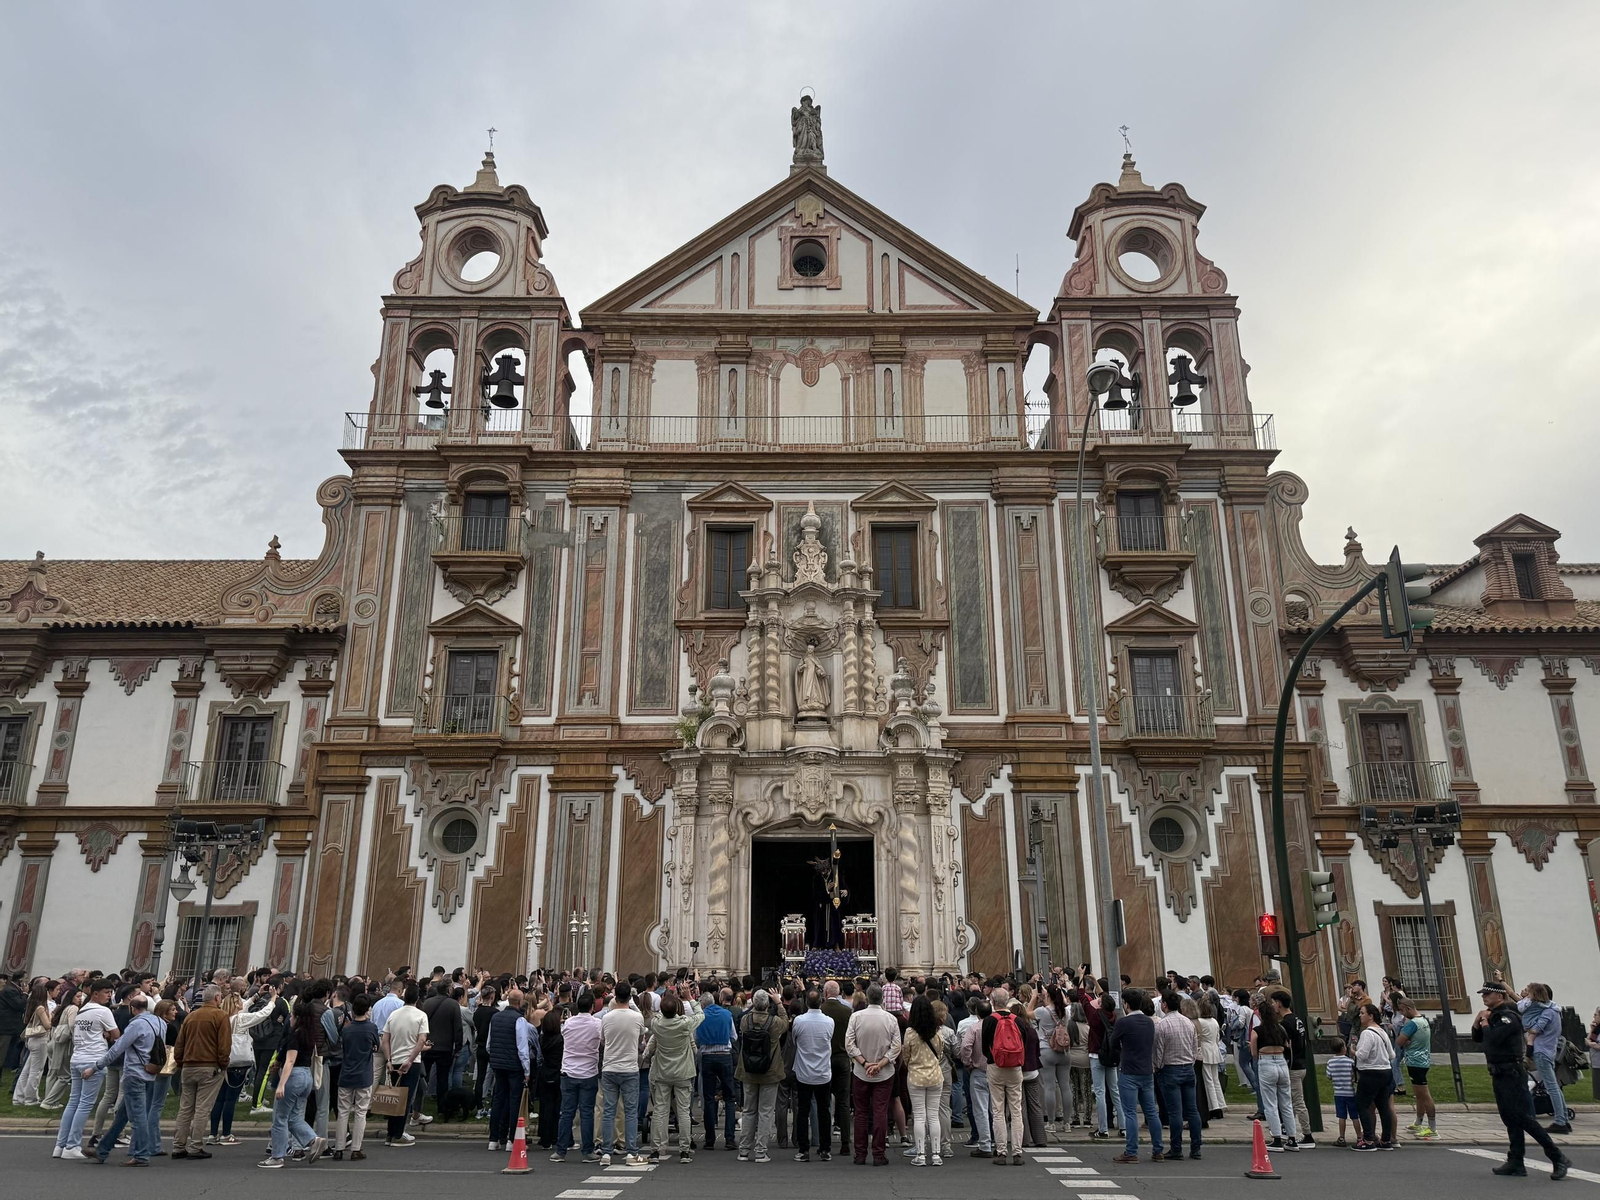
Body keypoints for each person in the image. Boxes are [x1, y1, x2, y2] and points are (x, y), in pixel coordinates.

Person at [1475, 981, 1570, 1178]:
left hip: (1512, 1073)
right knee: (1509, 1118)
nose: (1484, 997)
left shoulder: (1509, 1017)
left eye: (1487, 994)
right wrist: (1478, 1021)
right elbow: (1478, 1038)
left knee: (1524, 1118)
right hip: (1499, 1072)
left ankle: (1557, 1156)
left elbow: (1493, 1039)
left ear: (1500, 996)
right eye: (1483, 994)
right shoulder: (1494, 1016)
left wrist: (1484, 1023)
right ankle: (1516, 1161)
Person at [86, 990, 164, 1165]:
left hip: (134, 1073)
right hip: (150, 1072)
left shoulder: (136, 1025)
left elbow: (117, 1048)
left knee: (137, 1118)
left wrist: (95, 1067)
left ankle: (142, 1154)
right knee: (122, 1116)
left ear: (132, 1008)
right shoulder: (160, 1022)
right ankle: (102, 1150)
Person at [260, 999, 327, 1168]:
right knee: (295, 1117)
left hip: (293, 1076)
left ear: (297, 1017)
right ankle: (313, 1139)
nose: (290, 1018)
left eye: (292, 1016)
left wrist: (281, 1084)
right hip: (306, 1076)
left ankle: (277, 1156)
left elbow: (290, 1061)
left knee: (280, 1118)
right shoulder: (309, 1035)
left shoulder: (294, 1035)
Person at [171, 982, 231, 1159]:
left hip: (188, 1066)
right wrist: (223, 1065)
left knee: (186, 1108)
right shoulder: (220, 1016)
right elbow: (224, 1045)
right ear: (217, 998)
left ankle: (178, 1145)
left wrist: (180, 1061)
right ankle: (195, 1145)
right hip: (209, 1066)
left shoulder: (191, 1016)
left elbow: (180, 1043)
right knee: (202, 1108)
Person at [845, 982, 902, 1165]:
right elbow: (896, 1047)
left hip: (861, 1071)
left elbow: (849, 1044)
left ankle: (860, 1154)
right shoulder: (891, 1019)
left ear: (867, 997)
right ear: (882, 998)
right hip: (883, 1072)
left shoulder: (856, 1017)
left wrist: (864, 1062)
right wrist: (880, 1064)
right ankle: (878, 1154)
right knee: (880, 1112)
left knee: (861, 1113)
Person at [645, 987, 702, 1163]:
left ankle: (656, 1149)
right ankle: (685, 1150)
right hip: (683, 1072)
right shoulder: (684, 1024)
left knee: (660, 1111)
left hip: (662, 1071)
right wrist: (690, 998)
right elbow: (700, 1015)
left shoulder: (657, 1024)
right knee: (684, 1111)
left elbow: (657, 1018)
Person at [209, 990, 273, 1145]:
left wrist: (255, 997)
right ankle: (226, 1134)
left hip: (223, 1061)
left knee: (219, 1098)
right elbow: (261, 1015)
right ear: (237, 1004)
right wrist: (273, 1000)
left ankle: (213, 1134)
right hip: (238, 1062)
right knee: (231, 1099)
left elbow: (244, 1007)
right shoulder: (241, 1019)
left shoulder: (223, 1018)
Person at [1108, 988, 1161, 1164]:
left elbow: (1113, 1042)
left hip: (1129, 1070)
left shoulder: (1124, 1023)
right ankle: (1158, 1149)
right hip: (1146, 1070)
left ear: (1126, 1004)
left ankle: (1131, 1151)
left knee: (1130, 1112)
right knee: (1151, 1112)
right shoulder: (1149, 1022)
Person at [734, 988, 788, 1163]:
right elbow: (786, 1022)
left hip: (748, 1070)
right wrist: (778, 1002)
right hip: (770, 1071)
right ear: (768, 1005)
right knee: (765, 1112)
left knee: (749, 1110)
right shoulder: (774, 1023)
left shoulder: (745, 1020)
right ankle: (760, 1151)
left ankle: (743, 1150)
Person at [599, 980, 648, 1166]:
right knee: (630, 1112)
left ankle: (606, 1152)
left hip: (610, 1067)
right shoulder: (637, 1018)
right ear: (630, 997)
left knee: (608, 1111)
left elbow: (602, 1041)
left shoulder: (606, 1017)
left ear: (614, 997)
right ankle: (632, 1152)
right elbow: (640, 1043)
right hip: (629, 1068)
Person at [552, 988, 603, 1163]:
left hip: (568, 1071)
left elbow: (563, 1034)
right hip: (588, 1072)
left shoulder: (569, 1023)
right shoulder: (597, 1024)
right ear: (592, 1008)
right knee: (587, 1112)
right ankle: (587, 1151)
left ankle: (560, 1150)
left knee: (566, 1112)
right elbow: (602, 1041)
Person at [379, 981, 429, 1147]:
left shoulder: (394, 1014)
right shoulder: (421, 1015)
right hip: (411, 1061)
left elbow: (385, 1039)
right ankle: (399, 1134)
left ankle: (390, 1133)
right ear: (418, 998)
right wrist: (409, 1060)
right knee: (406, 1099)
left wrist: (389, 1059)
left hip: (394, 1059)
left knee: (394, 1097)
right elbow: (421, 1040)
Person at [1154, 988, 1201, 1160]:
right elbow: (1194, 1047)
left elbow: (1158, 1052)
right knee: (1192, 1110)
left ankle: (1176, 1148)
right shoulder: (1188, 1022)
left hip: (1170, 1068)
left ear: (1165, 1005)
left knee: (1175, 1112)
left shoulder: (1162, 1025)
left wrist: (1158, 1067)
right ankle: (1196, 1147)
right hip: (1188, 1067)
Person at [485, 988, 535, 1153]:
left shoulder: (495, 1017)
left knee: (498, 1100)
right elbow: (522, 1048)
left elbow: (489, 1044)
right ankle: (512, 1139)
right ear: (520, 1002)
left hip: (498, 1064)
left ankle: (494, 1139)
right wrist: (527, 1070)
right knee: (515, 1102)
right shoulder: (519, 1020)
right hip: (514, 1065)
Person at [333, 992, 380, 1160]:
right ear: (367, 1010)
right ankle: (356, 1148)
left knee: (342, 1111)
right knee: (360, 1112)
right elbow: (376, 1045)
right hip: (364, 1074)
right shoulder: (371, 1028)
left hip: (346, 1073)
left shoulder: (347, 1030)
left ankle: (338, 1147)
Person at [981, 986, 1026, 1165]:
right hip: (1015, 1067)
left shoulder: (989, 1020)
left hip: (995, 1066)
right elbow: (1025, 1043)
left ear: (992, 1001)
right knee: (1016, 1110)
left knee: (998, 1110)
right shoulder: (1018, 1020)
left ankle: (1001, 1152)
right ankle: (1017, 1152)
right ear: (1008, 1001)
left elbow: (984, 1047)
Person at [789, 988, 833, 1163]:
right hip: (823, 1072)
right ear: (821, 1001)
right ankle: (825, 1149)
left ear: (806, 1003)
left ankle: (803, 1149)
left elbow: (794, 1041)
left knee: (802, 1111)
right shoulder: (829, 1022)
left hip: (804, 1072)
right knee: (824, 1111)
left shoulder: (799, 1021)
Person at [1251, 992, 1298, 1150]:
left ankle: (1277, 1138)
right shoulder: (1281, 1029)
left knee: (1270, 1104)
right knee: (1286, 1103)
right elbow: (1287, 1047)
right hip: (1281, 1062)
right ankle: (1292, 1138)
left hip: (1266, 1062)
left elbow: (1254, 1052)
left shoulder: (1257, 1030)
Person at [901, 995, 945, 1166]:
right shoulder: (937, 1032)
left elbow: (906, 1055)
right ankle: (936, 1154)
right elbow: (940, 1053)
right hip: (935, 1075)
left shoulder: (910, 1033)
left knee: (919, 1116)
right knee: (933, 1116)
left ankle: (920, 1154)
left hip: (916, 1076)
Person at [1522, 983, 1571, 1134]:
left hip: (1542, 1051)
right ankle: (1563, 1119)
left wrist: (1525, 1026)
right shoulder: (1554, 1010)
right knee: (1554, 1086)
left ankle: (1560, 1122)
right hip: (1548, 1050)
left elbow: (1536, 1029)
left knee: (1551, 1087)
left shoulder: (1547, 1013)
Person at [1351, 1001, 1394, 1151]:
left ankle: (1368, 1139)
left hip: (1371, 1072)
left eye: (1362, 1013)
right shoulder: (1382, 1031)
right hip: (1385, 1071)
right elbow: (1391, 1054)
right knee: (1383, 1106)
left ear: (1371, 1016)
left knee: (1361, 1104)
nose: (1360, 1016)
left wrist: (1353, 1051)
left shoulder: (1367, 1033)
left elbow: (1362, 1055)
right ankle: (1386, 1139)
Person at [1274, 990, 1315, 1148]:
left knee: (1297, 1101)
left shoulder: (1285, 1023)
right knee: (1291, 1100)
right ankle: (1289, 1129)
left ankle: (1307, 1134)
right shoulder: (1297, 1019)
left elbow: (1287, 1046)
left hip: (1293, 1065)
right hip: (1300, 1063)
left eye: (1273, 1003)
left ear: (1278, 1004)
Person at [1394, 995, 1435, 1138]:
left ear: (1408, 1008)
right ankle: (1418, 1122)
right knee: (1419, 1095)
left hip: (1415, 1062)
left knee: (1424, 1095)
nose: (1402, 1014)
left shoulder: (1412, 1024)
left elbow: (1399, 1040)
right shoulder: (1423, 1020)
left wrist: (1404, 1040)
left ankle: (1432, 1127)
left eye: (1402, 1010)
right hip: (1423, 1060)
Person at [821, 980, 855, 1155]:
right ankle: (845, 1142)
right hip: (843, 1058)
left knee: (824, 1101)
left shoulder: (821, 1010)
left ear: (825, 993)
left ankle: (824, 1143)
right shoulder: (847, 1011)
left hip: (824, 1060)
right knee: (843, 1101)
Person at [957, 996, 993, 1157]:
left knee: (981, 1109)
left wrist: (968, 1062)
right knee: (997, 1109)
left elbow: (965, 1046)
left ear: (977, 1013)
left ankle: (985, 1143)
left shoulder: (974, 1028)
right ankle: (998, 1141)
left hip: (978, 1070)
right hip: (996, 1069)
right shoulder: (997, 1026)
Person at [1037, 985, 1072, 1133]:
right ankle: (1067, 1123)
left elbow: (1026, 1013)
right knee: (1065, 1086)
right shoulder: (1065, 1011)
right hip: (1064, 1050)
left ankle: (1051, 1122)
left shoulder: (1042, 1011)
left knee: (1049, 1087)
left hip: (1047, 1049)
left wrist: (1034, 997)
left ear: (1048, 996)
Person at [11, 980, 52, 1106]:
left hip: (31, 1039)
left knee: (27, 1069)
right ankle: (31, 1098)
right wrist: (53, 1018)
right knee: (36, 1070)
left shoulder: (31, 1005)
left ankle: (18, 1097)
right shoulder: (41, 1008)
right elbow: (47, 1025)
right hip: (40, 1039)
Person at [535, 1008, 564, 1150]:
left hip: (545, 1073)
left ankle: (544, 1137)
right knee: (557, 1106)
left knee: (545, 1106)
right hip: (558, 1072)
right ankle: (555, 1135)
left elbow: (539, 1057)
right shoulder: (561, 1040)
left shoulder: (541, 1039)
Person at [1195, 998, 1226, 1120]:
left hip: (1205, 1050)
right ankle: (1220, 1104)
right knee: (1215, 1080)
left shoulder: (1200, 1022)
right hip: (1214, 1049)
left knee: (1208, 1080)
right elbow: (1218, 1036)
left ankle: (1214, 1107)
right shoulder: (1214, 1021)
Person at [1324, 1035, 1357, 1147]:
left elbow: (1329, 1076)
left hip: (1338, 1093)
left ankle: (1342, 1137)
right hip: (1350, 1093)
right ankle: (1359, 1136)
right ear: (1344, 1047)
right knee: (1354, 1116)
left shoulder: (1330, 1062)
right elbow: (1353, 1076)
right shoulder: (1349, 1062)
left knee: (1341, 1116)